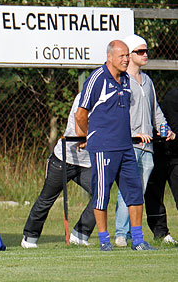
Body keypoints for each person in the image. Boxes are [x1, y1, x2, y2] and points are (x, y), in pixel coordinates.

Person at [75, 40, 157, 251]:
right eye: (121, 56)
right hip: (103, 147)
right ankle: (104, 240)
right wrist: (86, 136)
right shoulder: (97, 78)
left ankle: (138, 240)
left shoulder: (127, 80)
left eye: (127, 55)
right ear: (109, 57)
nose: (126, 59)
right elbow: (80, 114)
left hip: (126, 147)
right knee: (102, 194)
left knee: (135, 193)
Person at [113, 34, 175, 247]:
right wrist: (132, 133)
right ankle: (121, 234)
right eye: (140, 51)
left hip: (147, 147)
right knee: (128, 189)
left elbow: (154, 110)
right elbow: (117, 114)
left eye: (146, 50)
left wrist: (165, 129)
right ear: (129, 55)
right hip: (128, 145)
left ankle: (132, 233)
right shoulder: (121, 81)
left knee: (139, 191)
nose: (145, 54)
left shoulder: (147, 81)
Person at [21, 94, 96, 248]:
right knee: (46, 199)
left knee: (102, 194)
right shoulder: (85, 96)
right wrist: (86, 136)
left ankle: (80, 234)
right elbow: (79, 120)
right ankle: (29, 238)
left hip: (87, 163)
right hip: (63, 158)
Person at [144, 87, 178, 244]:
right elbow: (171, 128)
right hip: (160, 151)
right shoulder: (173, 98)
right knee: (154, 193)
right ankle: (161, 233)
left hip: (175, 153)